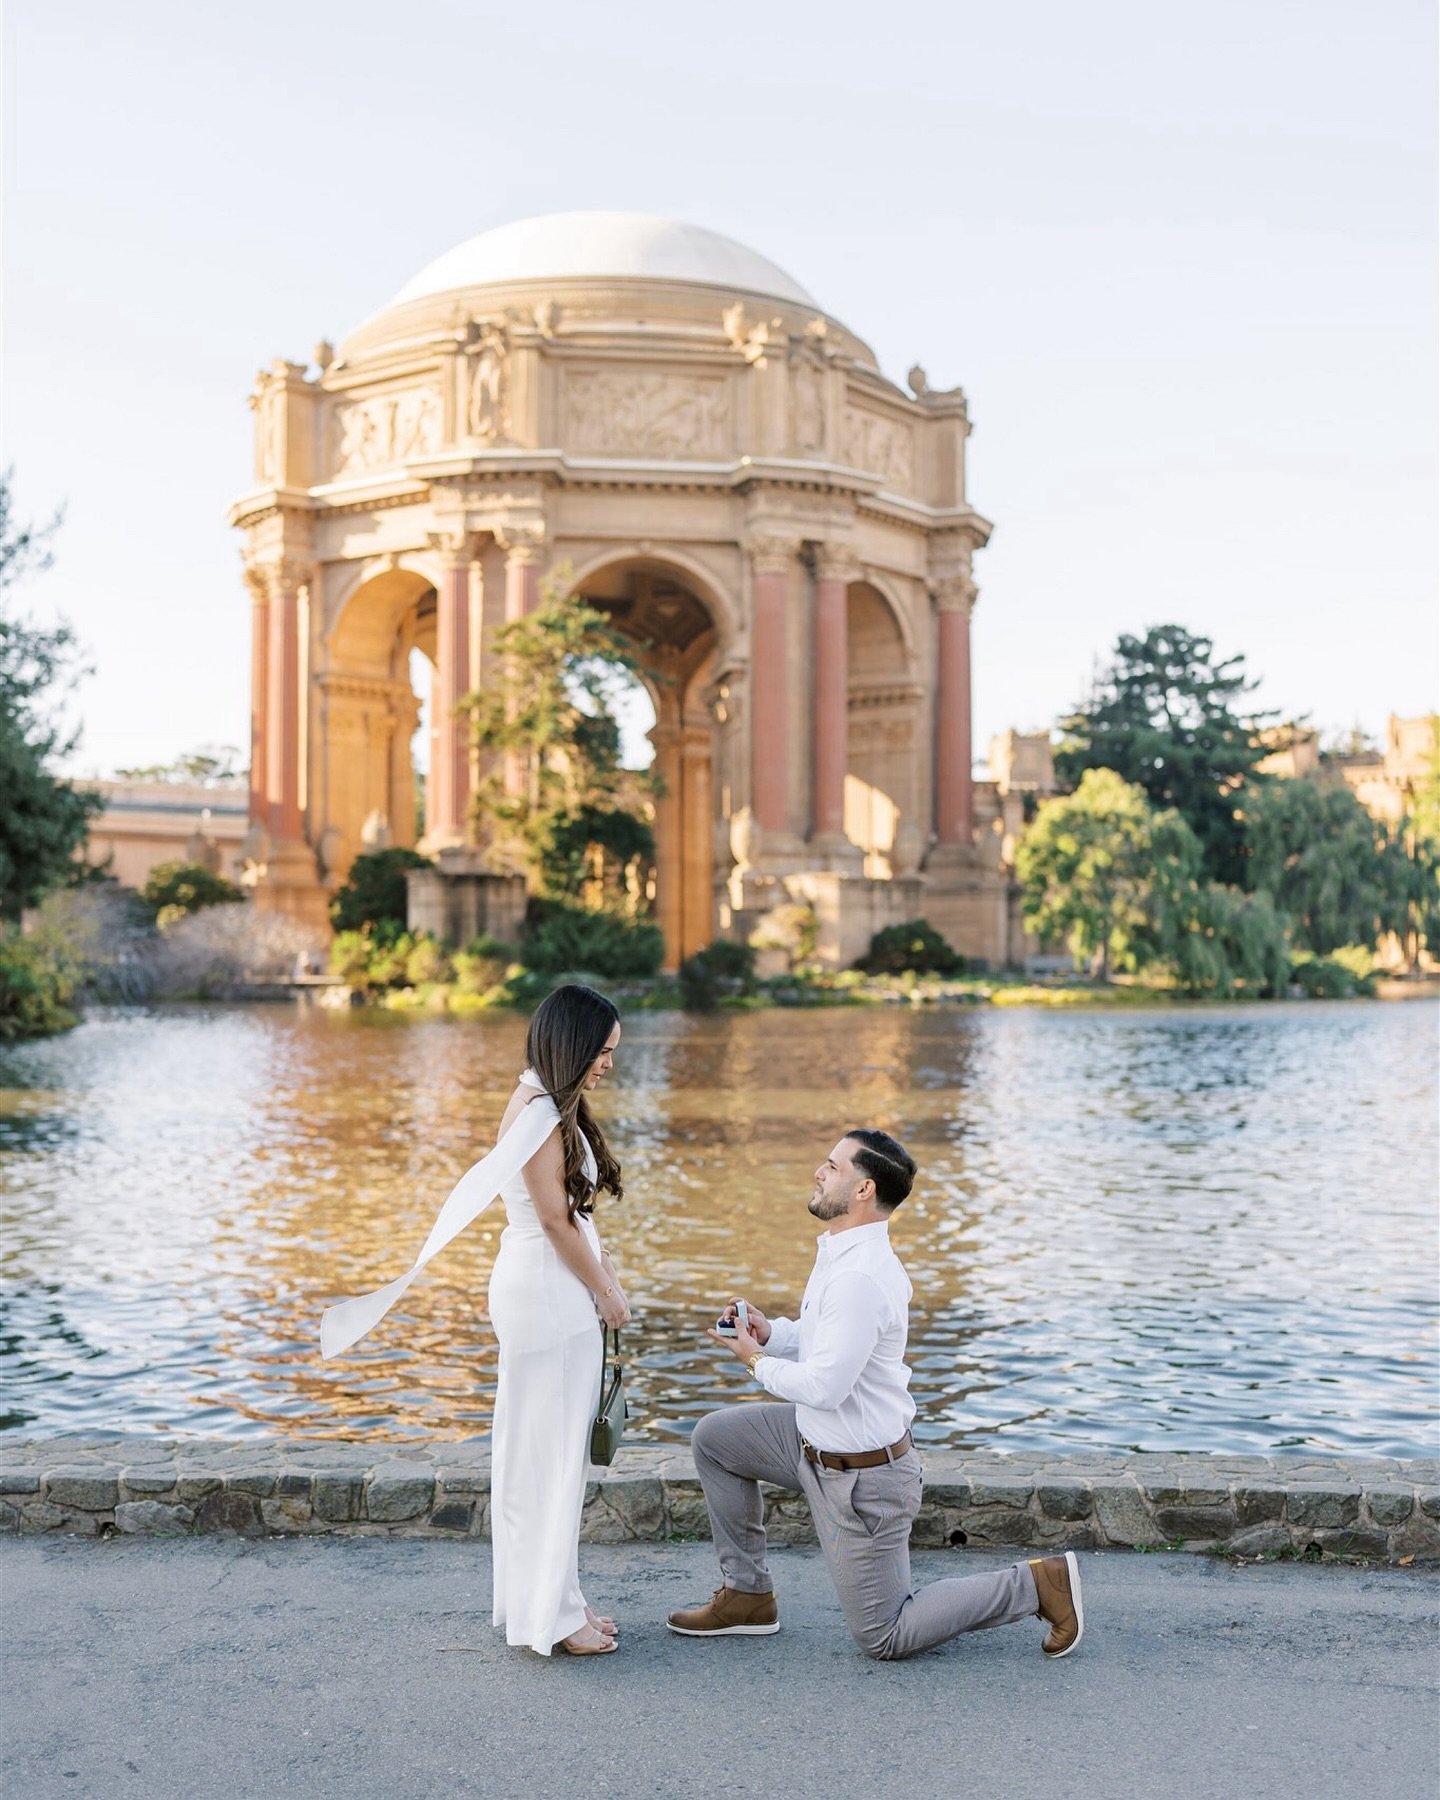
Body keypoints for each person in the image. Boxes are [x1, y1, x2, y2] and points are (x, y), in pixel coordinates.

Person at [666, 1128, 1084, 1661]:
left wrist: (752, 1358)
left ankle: (1038, 1585)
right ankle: (747, 1596)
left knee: (884, 1636)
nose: (819, 1171)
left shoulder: (860, 1277)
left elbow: (823, 1386)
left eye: (832, 1167)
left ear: (863, 1189)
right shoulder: (840, 1254)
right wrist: (772, 1332)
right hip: (808, 1444)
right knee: (715, 1440)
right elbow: (824, 1344)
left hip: (862, 1478)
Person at [319, 982, 629, 1658]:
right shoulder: (543, 1114)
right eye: (602, 1052)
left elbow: (565, 1216)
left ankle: (552, 1603)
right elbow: (553, 1220)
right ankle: (554, 1616)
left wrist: (603, 1271)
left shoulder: (537, 1100)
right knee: (549, 1461)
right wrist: (604, 1287)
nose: (608, 1064)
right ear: (573, 1045)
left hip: (540, 1290)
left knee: (537, 1456)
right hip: (550, 1297)